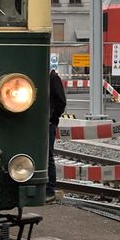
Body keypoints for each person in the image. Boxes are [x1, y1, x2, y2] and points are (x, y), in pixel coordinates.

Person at [47, 67, 67, 199]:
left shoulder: (52, 78)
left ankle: (50, 189)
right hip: (46, 122)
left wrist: (52, 118)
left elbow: (61, 102)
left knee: (48, 156)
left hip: (48, 124)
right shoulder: (50, 77)